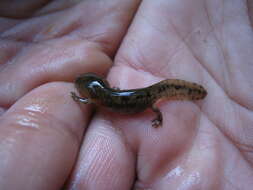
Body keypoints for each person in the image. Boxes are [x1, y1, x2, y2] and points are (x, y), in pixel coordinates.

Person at [0, 0, 252, 189]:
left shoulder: (98, 97)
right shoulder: (103, 95)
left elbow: (86, 97)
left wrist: (79, 98)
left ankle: (166, 110)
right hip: (143, 97)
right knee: (154, 100)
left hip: (147, 98)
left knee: (156, 102)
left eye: (84, 88)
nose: (82, 90)